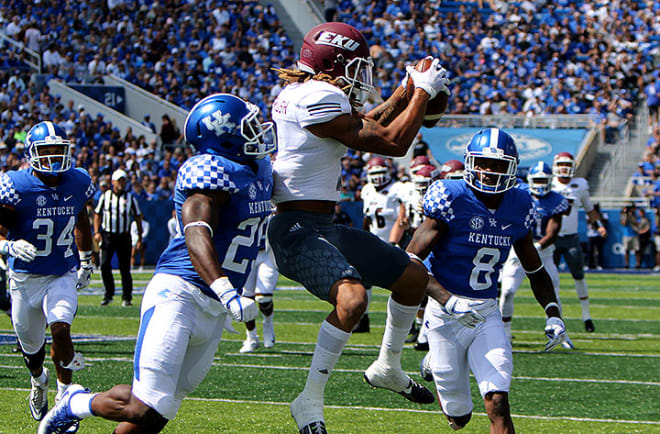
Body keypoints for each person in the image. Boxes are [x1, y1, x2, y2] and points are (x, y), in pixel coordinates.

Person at [39, 93, 277, 433]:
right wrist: (227, 290)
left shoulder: (260, 170)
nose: (257, 133)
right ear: (223, 135)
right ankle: (75, 402)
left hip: (213, 306)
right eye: (247, 127)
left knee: (155, 414)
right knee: (144, 404)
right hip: (181, 292)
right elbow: (197, 231)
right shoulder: (211, 170)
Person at [268, 22, 449, 433]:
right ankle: (309, 399)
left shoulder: (307, 93)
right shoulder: (319, 97)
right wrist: (421, 91)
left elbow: (365, 122)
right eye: (355, 65)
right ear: (335, 63)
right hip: (296, 228)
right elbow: (392, 141)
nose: (360, 74)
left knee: (412, 278)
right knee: (351, 302)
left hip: (321, 223)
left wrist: (405, 91)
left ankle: (388, 364)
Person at [406, 128, 567, 433]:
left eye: (497, 165)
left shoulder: (519, 204)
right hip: (444, 314)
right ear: (470, 163)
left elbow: (533, 267)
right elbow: (410, 261)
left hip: (486, 313)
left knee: (498, 403)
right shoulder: (450, 197)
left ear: (512, 167)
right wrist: (447, 300)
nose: (489, 171)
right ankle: (433, 363)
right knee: (459, 419)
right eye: (482, 163)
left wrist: (553, 312)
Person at [0, 121, 94, 424]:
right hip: (25, 279)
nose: (53, 157)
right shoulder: (16, 185)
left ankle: (65, 395)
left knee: (60, 328)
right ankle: (38, 380)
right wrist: (8, 247)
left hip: (61, 272)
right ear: (32, 153)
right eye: (46, 151)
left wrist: (87, 260)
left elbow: (82, 221)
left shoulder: (77, 181)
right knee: (32, 348)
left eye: (58, 150)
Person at [499, 161, 573, 347]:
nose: (540, 184)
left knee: (553, 291)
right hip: (517, 250)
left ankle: (560, 331)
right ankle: (504, 333)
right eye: (537, 180)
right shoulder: (519, 193)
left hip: (544, 252)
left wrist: (536, 247)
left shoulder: (557, 200)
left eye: (543, 180)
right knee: (507, 291)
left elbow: (553, 232)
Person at [551, 152, 606, 332]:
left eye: (568, 164)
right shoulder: (549, 184)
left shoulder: (580, 185)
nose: (564, 168)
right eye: (561, 164)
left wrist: (598, 225)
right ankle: (556, 318)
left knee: (579, 277)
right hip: (551, 239)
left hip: (571, 238)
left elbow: (589, 208)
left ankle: (586, 316)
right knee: (552, 280)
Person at [357, 156, 409, 333]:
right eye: (375, 173)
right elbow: (367, 218)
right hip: (373, 244)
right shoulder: (367, 190)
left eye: (381, 172)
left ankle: (409, 325)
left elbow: (402, 216)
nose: (378, 177)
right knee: (363, 282)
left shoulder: (397, 189)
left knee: (403, 286)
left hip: (395, 243)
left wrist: (395, 242)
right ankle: (362, 318)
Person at [94, 169, 143, 307]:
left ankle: (127, 297)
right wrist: (97, 232)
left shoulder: (130, 198)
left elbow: (138, 217)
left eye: (123, 180)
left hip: (124, 236)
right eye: (119, 180)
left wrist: (139, 237)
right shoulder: (105, 196)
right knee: (104, 265)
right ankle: (108, 294)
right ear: (113, 182)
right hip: (108, 235)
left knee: (125, 268)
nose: (121, 183)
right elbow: (97, 214)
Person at [239, 213, 279, 353]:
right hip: (246, 252)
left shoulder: (273, 202)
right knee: (246, 300)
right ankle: (251, 338)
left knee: (263, 297)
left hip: (268, 253)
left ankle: (268, 324)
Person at [586, 203, 608, 270]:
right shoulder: (589, 215)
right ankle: (590, 264)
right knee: (590, 251)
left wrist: (599, 217)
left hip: (599, 235)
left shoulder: (603, 214)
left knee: (599, 251)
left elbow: (605, 222)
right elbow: (590, 221)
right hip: (591, 234)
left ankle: (599, 264)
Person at [620, 204, 639, 269]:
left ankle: (637, 264)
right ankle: (627, 264)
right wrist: (625, 215)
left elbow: (636, 223)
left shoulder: (635, 215)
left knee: (637, 250)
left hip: (634, 234)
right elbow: (624, 223)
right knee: (626, 250)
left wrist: (631, 216)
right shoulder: (624, 215)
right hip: (626, 234)